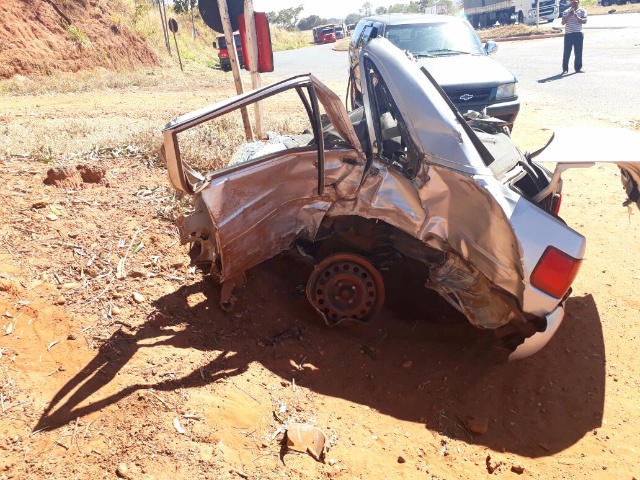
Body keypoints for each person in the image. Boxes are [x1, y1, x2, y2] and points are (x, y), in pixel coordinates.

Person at [561, 0, 587, 74]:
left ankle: (578, 68)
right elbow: (563, 23)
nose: (573, 4)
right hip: (568, 34)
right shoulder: (566, 11)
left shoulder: (582, 11)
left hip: (578, 34)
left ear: (578, 2)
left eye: (575, 3)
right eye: (572, 3)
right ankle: (565, 69)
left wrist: (575, 16)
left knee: (578, 52)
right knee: (566, 53)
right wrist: (569, 15)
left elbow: (584, 21)